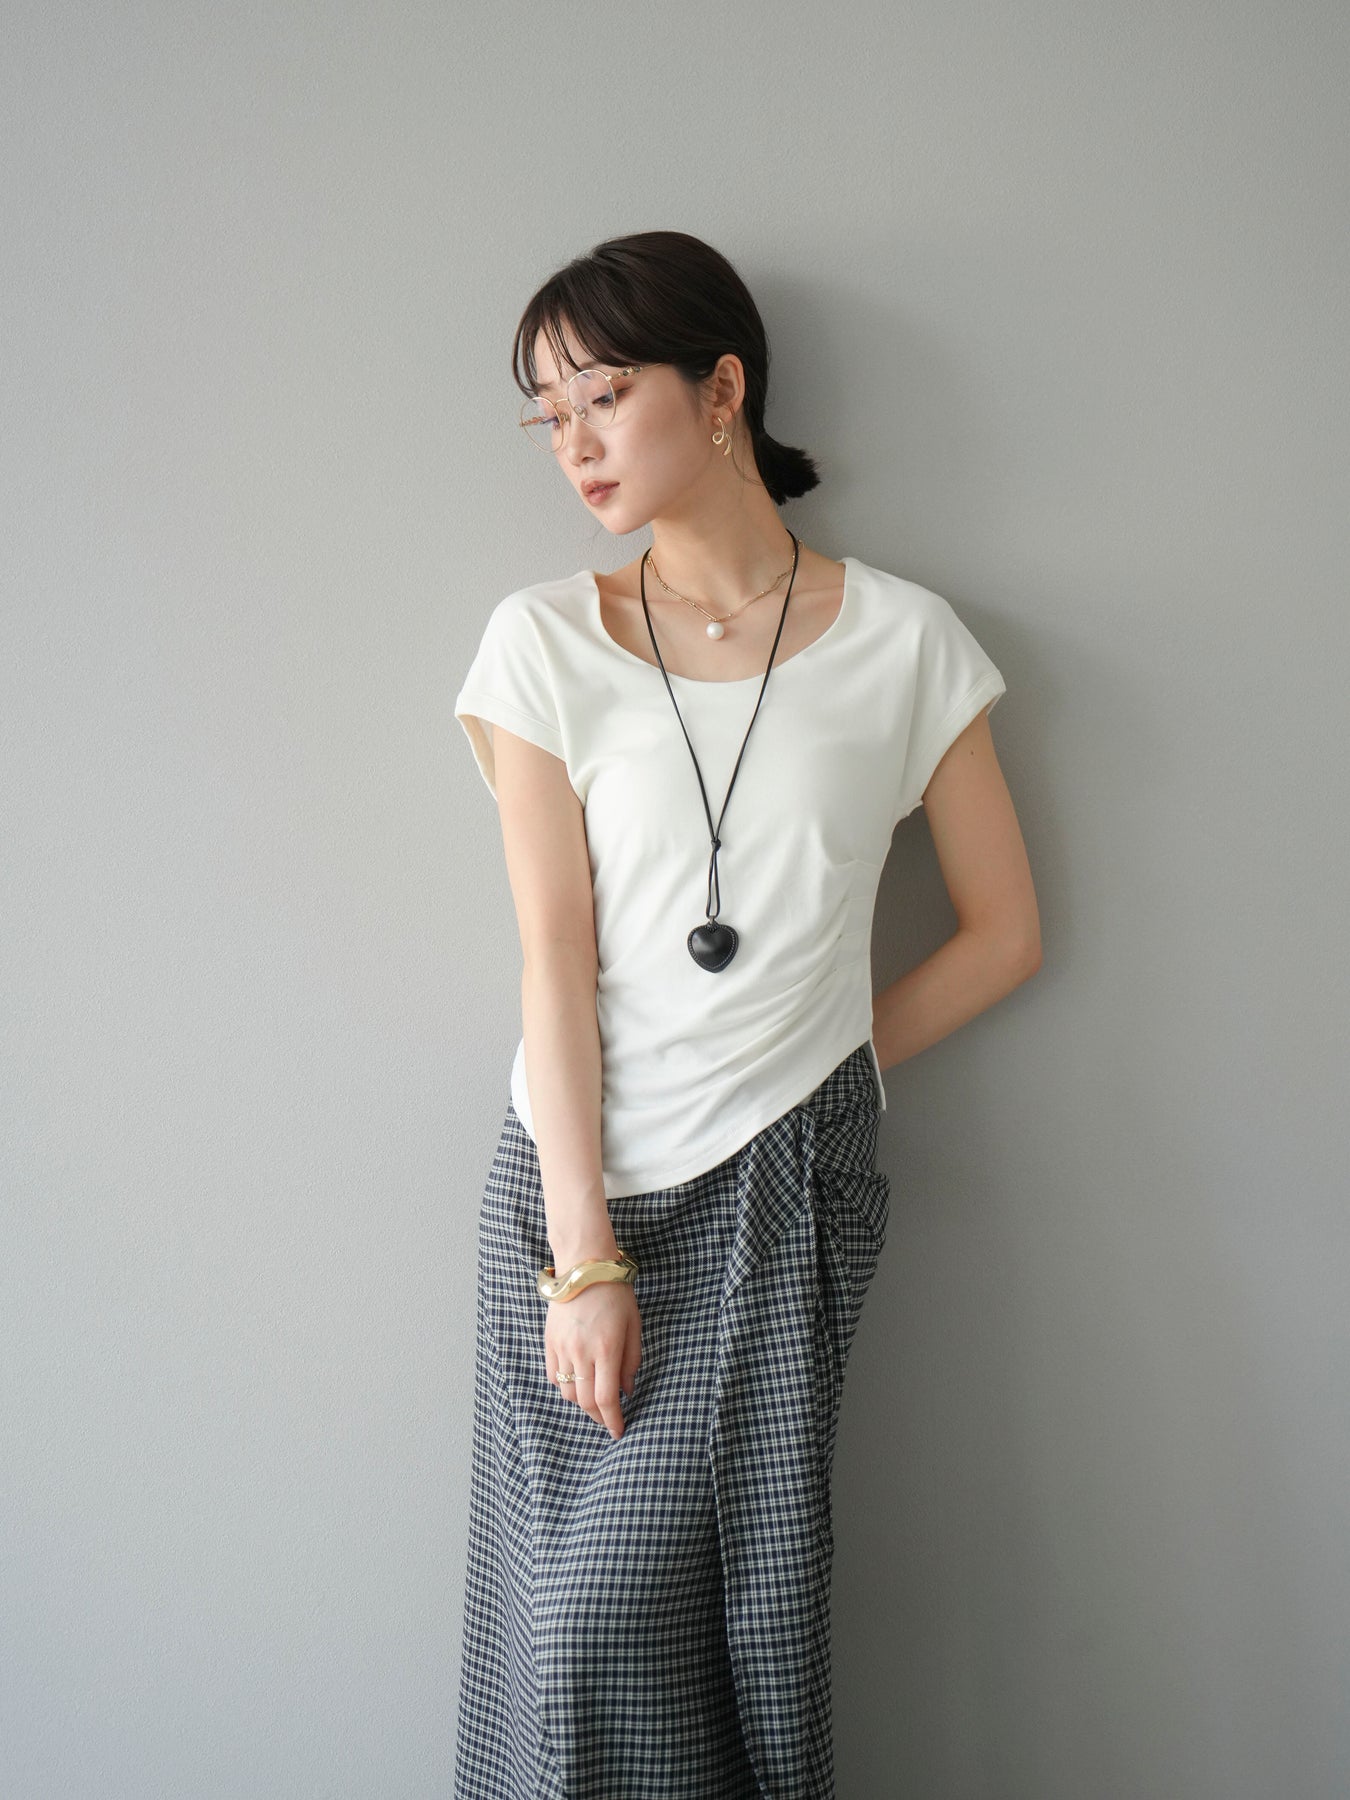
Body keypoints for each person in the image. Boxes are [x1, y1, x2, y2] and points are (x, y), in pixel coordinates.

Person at [451, 229, 1041, 1800]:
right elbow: (550, 957)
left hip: (783, 1186)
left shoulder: (905, 642)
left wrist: (807, 1063)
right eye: (545, 413)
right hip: (569, 1186)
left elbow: (1002, 935)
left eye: (602, 394)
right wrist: (582, 1257)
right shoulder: (541, 642)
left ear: (721, 391)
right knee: (561, 1639)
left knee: (717, 1625)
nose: (571, 442)